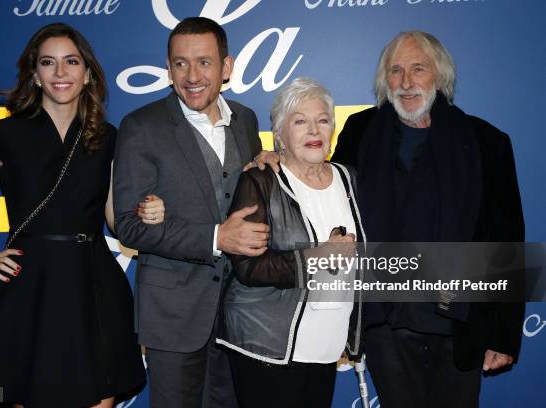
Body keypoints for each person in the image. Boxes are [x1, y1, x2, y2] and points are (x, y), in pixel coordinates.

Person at [0, 23, 158, 407]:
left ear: (87, 74)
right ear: (34, 75)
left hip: (92, 283)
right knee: (11, 392)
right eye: (48, 63)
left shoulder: (107, 137)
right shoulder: (4, 133)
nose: (60, 73)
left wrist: (146, 214)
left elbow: (115, 222)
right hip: (27, 284)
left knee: (99, 397)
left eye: (71, 62)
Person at [328, 31, 525, 407]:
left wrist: (503, 336)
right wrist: (275, 159)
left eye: (418, 69)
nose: (406, 82)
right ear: (385, 81)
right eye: (396, 71)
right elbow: (324, 193)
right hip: (384, 322)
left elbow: (507, 241)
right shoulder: (361, 131)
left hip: (461, 323)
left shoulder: (487, 142)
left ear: (440, 75)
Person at [113, 17, 267, 408]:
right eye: (180, 63)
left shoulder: (246, 121)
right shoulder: (141, 126)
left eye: (203, 62)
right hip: (174, 314)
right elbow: (128, 225)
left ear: (226, 68)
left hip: (241, 314)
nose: (192, 75)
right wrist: (216, 238)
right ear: (168, 69)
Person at [216, 77, 365, 408]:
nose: (314, 130)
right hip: (267, 346)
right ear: (280, 134)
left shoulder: (348, 177)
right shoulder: (259, 180)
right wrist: (317, 257)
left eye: (322, 120)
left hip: (326, 345)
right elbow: (249, 267)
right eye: (300, 121)